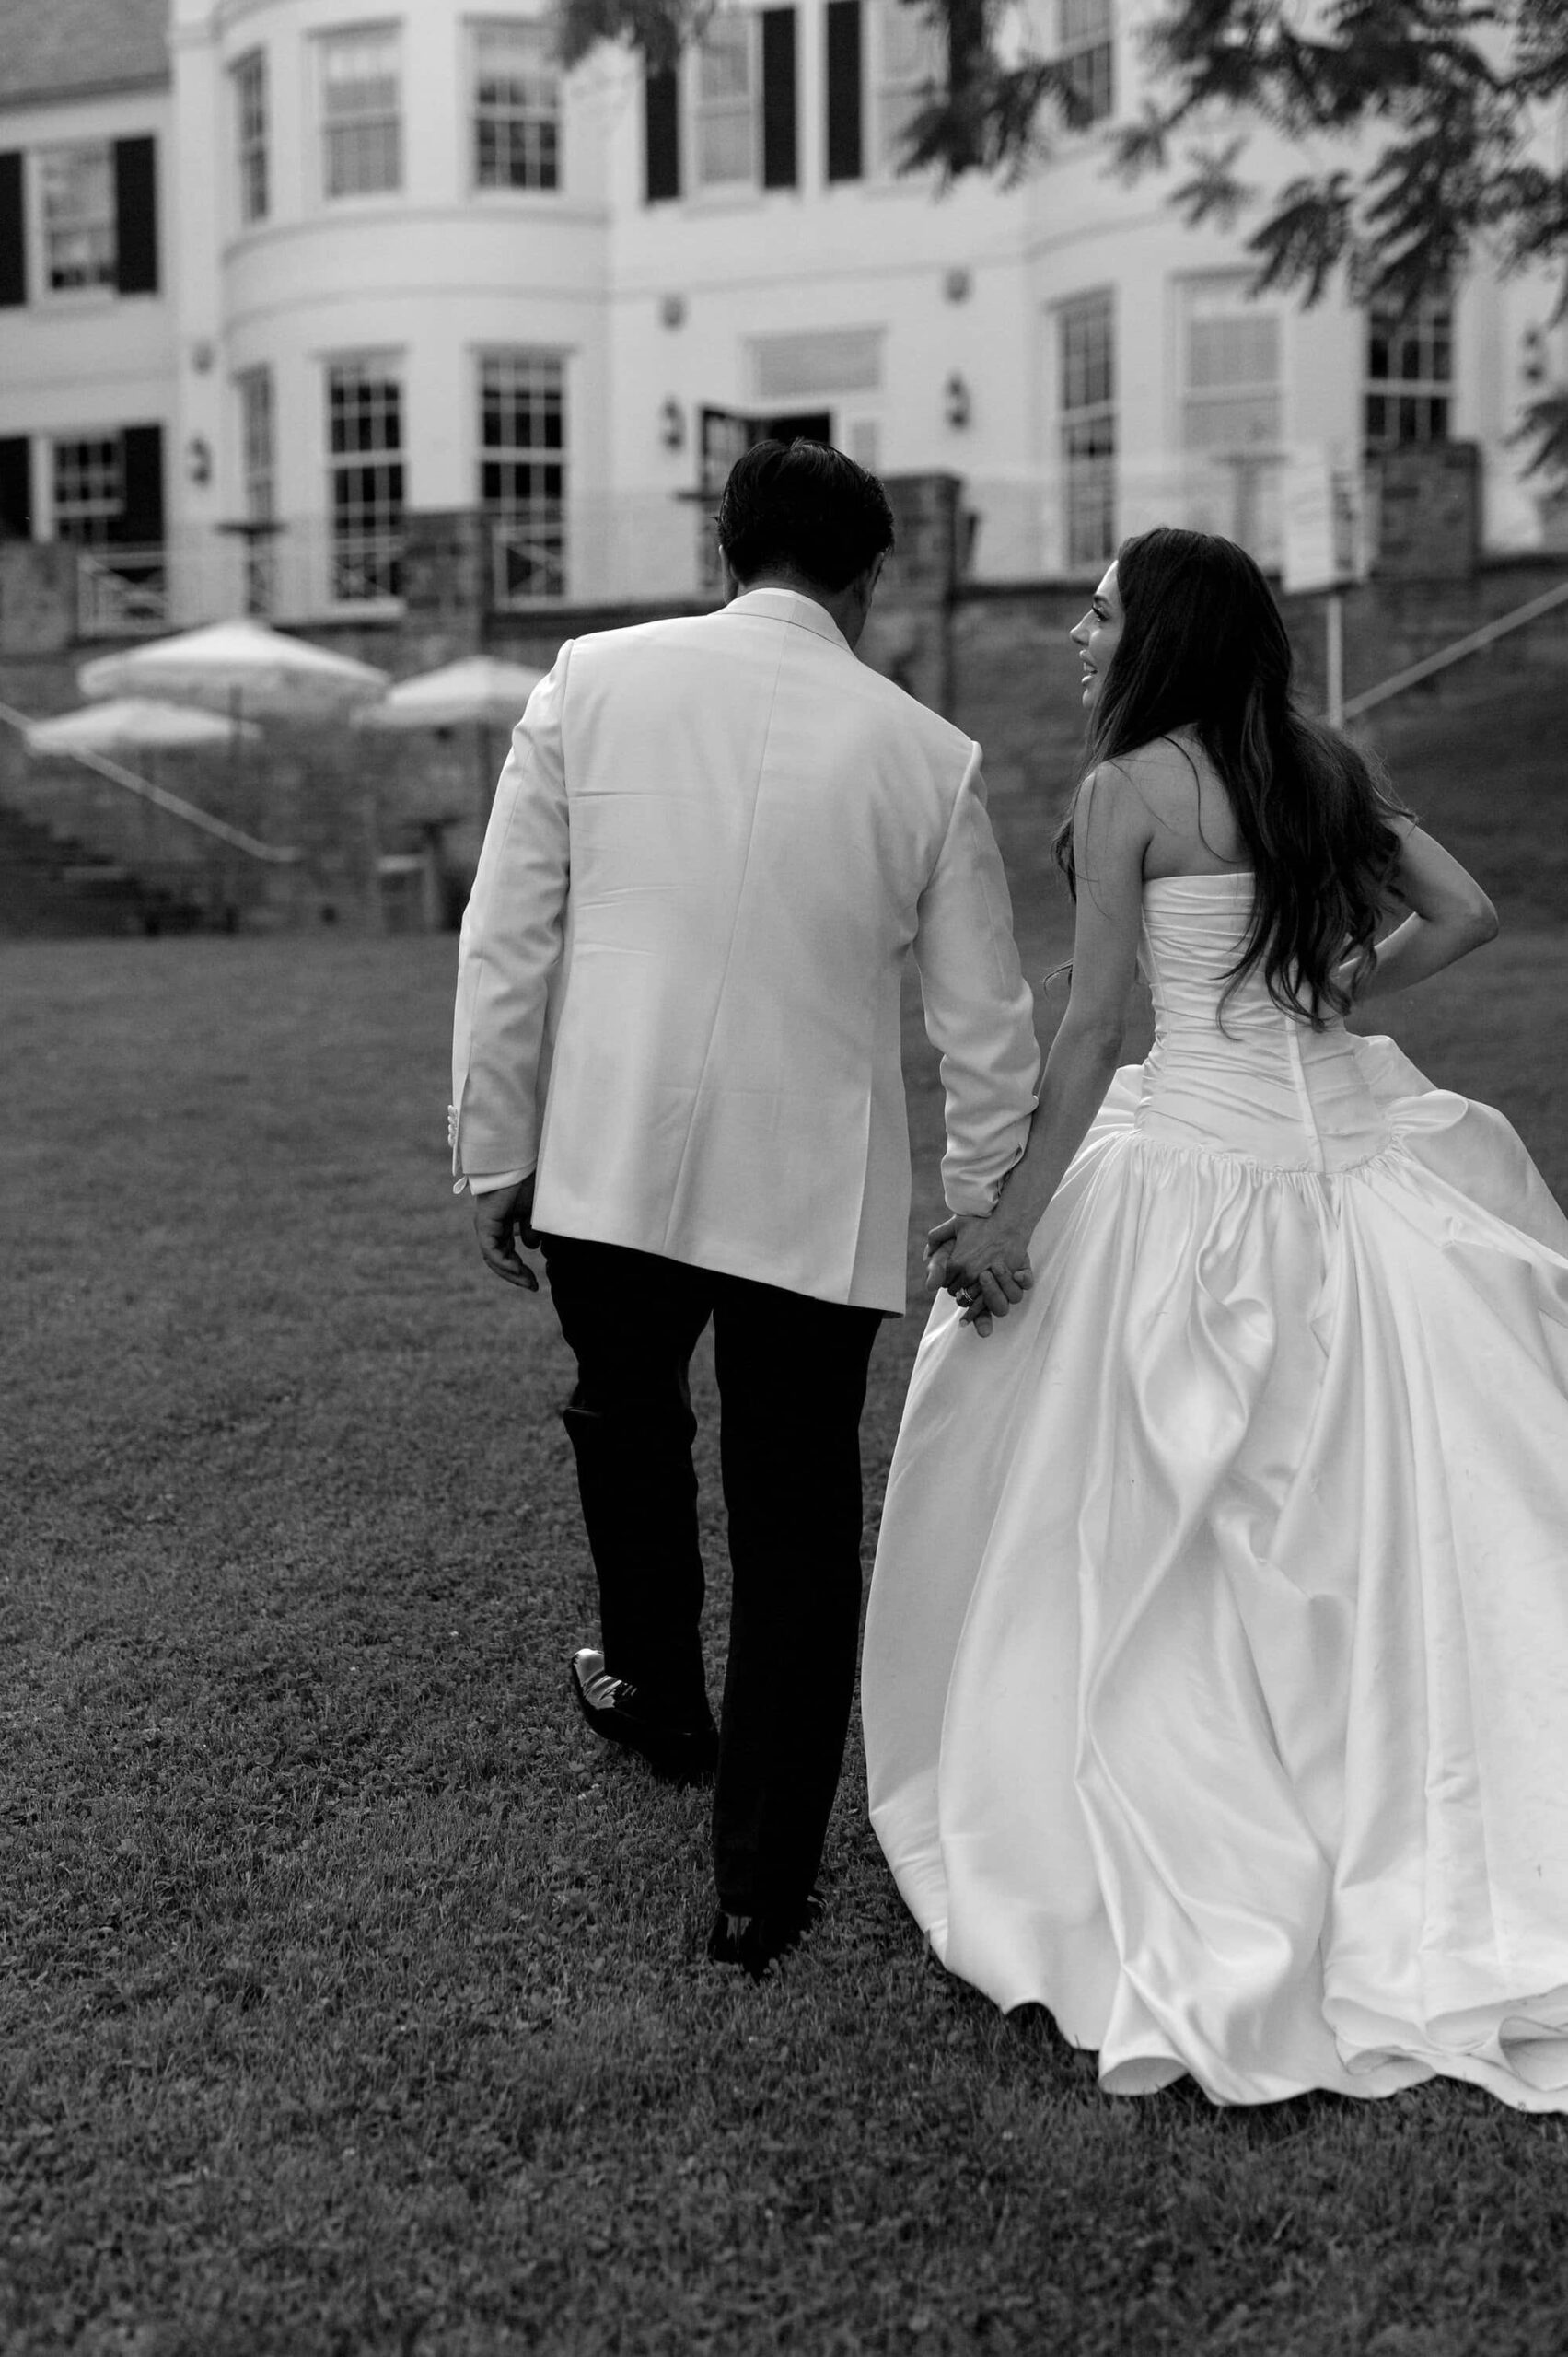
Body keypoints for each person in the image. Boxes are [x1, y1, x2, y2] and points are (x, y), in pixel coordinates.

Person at [862, 526, 1568, 2110]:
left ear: (1161, 632)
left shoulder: (1130, 794)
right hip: (1352, 1156)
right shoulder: (1319, 766)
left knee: (1151, 1496)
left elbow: (1100, 1027)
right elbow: (1465, 913)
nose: (1076, 633)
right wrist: (1337, 994)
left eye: (1099, 612)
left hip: (1194, 1163)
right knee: (1393, 1499)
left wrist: (1007, 1224)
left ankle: (1201, 1816)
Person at [450, 439, 1040, 1978]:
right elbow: (985, 1029)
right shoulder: (927, 754)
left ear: (724, 549)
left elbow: (508, 931)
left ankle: (656, 1694)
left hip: (613, 1152)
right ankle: (758, 1886)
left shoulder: (586, 677)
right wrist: (980, 1199)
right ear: (867, 578)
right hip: (812, 1182)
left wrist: (494, 1145)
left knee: (625, 1417)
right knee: (795, 1518)